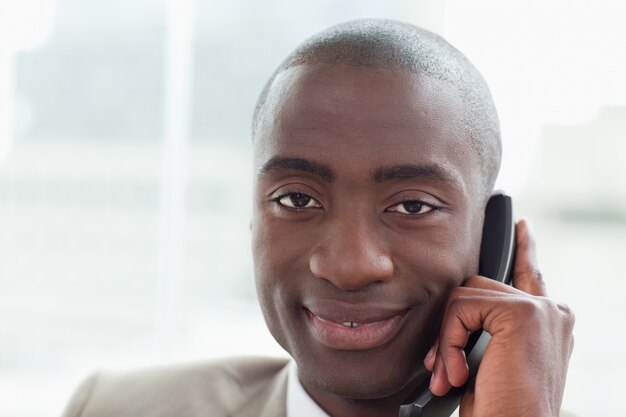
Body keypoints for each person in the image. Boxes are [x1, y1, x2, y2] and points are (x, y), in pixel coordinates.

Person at [62, 19, 575, 417]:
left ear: (494, 242)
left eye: (413, 206)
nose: (349, 266)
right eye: (296, 200)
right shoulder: (112, 407)